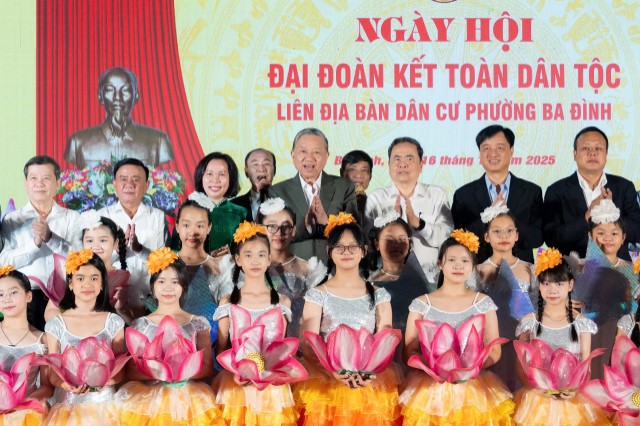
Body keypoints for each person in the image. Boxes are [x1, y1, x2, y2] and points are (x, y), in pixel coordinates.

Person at [295, 213, 401, 425]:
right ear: (329, 251)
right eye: (339, 247)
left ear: (364, 251)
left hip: (369, 386)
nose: (346, 252)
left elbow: (385, 340)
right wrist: (331, 372)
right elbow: (307, 341)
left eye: (353, 247)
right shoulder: (317, 294)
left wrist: (370, 372)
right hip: (326, 384)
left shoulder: (379, 295)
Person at [400, 232, 514, 425]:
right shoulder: (421, 304)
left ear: (472, 265)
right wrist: (434, 370)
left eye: (465, 260)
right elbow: (409, 352)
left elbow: (494, 350)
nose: (458, 265)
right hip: (432, 391)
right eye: (451, 260)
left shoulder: (483, 303)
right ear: (440, 263)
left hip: (473, 390)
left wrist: (468, 371)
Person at [115, 249, 222, 425]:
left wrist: (181, 374)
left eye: (175, 282)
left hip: (189, 399)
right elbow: (132, 370)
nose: (168, 288)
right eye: (162, 281)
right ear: (153, 286)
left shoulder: (198, 323)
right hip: (150, 400)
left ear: (183, 286)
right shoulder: (140, 324)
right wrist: (161, 374)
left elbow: (207, 367)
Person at [212, 222, 298, 425]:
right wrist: (237, 373)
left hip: (272, 391)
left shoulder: (282, 302)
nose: (255, 261)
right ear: (238, 259)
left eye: (261, 255)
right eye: (248, 255)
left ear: (269, 259)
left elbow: (283, 350)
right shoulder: (228, 302)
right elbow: (221, 350)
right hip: (235, 388)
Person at [513, 251, 609, 425]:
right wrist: (532, 388)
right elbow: (520, 365)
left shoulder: (582, 324)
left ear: (570, 285)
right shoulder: (529, 322)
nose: (553, 290)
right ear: (539, 285)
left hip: (571, 401)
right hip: (537, 401)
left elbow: (585, 366)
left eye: (559, 283)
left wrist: (576, 390)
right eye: (546, 283)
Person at [44, 250, 125, 425]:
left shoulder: (114, 322)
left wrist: (105, 382)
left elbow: (120, 371)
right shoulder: (56, 324)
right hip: (68, 407)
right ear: (70, 284)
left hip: (105, 406)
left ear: (102, 284)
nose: (87, 284)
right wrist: (64, 385)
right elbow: (52, 372)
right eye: (80, 278)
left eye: (94, 278)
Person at [0, 156, 80, 331]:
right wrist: (33, 245)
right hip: (25, 301)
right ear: (25, 183)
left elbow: (81, 259)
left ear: (57, 183)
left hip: (65, 301)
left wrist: (51, 238)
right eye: (34, 178)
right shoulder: (12, 220)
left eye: (46, 178)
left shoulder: (73, 218)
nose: (39, 184)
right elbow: (3, 262)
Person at [543, 126, 640, 260]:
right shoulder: (556, 191)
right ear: (575, 154)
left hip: (618, 268)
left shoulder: (624, 187)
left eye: (598, 148)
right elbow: (551, 238)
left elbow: (637, 232)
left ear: (606, 154)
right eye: (586, 148)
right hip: (572, 268)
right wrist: (587, 216)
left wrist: (612, 213)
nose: (592, 153)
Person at [452, 125, 543, 263]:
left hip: (520, 270)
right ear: (480, 154)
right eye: (486, 148)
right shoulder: (463, 195)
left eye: (500, 148)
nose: (493, 154)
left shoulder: (532, 192)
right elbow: (459, 239)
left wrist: (508, 218)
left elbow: (537, 238)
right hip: (479, 269)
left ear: (511, 151)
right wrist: (488, 216)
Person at [365, 136, 453, 279]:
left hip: (428, 279)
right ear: (389, 165)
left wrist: (420, 225)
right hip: (386, 278)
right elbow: (367, 243)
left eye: (409, 158)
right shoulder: (376, 198)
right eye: (397, 159)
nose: (402, 164)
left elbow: (447, 238)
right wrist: (391, 224)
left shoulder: (437, 195)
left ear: (421, 165)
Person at [270, 128, 358, 262]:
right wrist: (305, 226)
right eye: (303, 151)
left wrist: (327, 223)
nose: (309, 158)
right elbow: (273, 235)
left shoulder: (345, 187)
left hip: (335, 267)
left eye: (316, 152)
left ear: (327, 156)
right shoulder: (278, 191)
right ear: (293, 154)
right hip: (292, 267)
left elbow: (354, 233)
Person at [475, 203, 536, 391]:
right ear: (486, 237)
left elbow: (541, 306)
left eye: (509, 231)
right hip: (490, 346)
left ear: (517, 235)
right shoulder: (477, 271)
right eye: (497, 231)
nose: (504, 236)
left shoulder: (531, 269)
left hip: (524, 344)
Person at [64, 66, 174, 169]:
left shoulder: (159, 141)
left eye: (125, 90)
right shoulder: (77, 142)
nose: (117, 97)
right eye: (110, 90)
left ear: (136, 96)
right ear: (100, 96)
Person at [43, 211, 138, 323]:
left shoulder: (123, 279)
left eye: (103, 240)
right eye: (89, 240)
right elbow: (50, 312)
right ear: (82, 243)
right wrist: (79, 322)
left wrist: (122, 310)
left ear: (116, 243)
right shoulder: (71, 272)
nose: (95, 246)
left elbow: (134, 322)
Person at [256, 197, 326, 338]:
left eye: (286, 227)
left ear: (293, 231)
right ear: (260, 229)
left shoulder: (308, 268)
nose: (279, 233)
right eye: (272, 226)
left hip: (298, 342)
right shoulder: (252, 268)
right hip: (261, 341)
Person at [0, 266, 53, 425]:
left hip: (26, 415)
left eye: (13, 292)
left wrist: (19, 404)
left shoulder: (42, 339)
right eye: (0, 294)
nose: (6, 299)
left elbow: (47, 387)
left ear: (28, 296)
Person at [171, 152, 247, 256]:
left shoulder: (240, 213)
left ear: (231, 178)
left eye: (222, 174)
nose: (215, 180)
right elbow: (174, 249)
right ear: (201, 176)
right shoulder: (188, 208)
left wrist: (231, 255)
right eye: (209, 174)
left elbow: (247, 250)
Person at [368, 210, 431, 332]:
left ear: (409, 243)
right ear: (376, 244)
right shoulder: (367, 280)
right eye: (389, 240)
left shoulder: (424, 277)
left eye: (402, 239)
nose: (396, 244)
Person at [98, 158, 169, 255]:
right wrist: (118, 249)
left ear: (146, 186)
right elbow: (96, 258)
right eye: (123, 179)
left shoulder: (158, 216)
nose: (129, 184)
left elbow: (164, 259)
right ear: (114, 184)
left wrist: (140, 250)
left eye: (136, 180)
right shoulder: (102, 215)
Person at [232, 148, 276, 222]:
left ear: (274, 170)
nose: (261, 169)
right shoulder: (233, 206)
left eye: (266, 164)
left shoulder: (287, 200)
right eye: (255, 164)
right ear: (246, 172)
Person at [340, 150, 373, 223]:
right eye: (352, 169)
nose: (358, 175)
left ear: (370, 176)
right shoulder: (331, 203)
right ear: (342, 173)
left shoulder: (375, 206)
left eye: (364, 170)